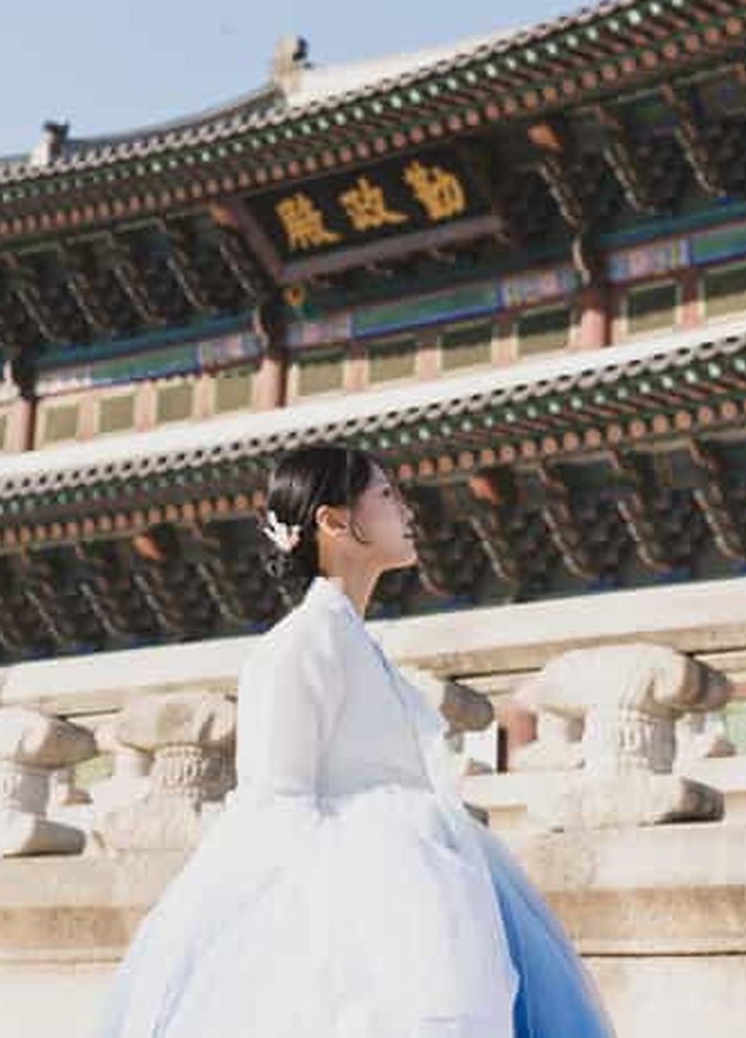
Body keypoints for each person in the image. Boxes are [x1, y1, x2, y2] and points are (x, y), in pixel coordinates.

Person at [89, 443, 617, 1038]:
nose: (405, 509)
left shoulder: (355, 641)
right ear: (335, 522)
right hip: (368, 905)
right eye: (387, 495)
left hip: (428, 883)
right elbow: (275, 801)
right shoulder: (296, 646)